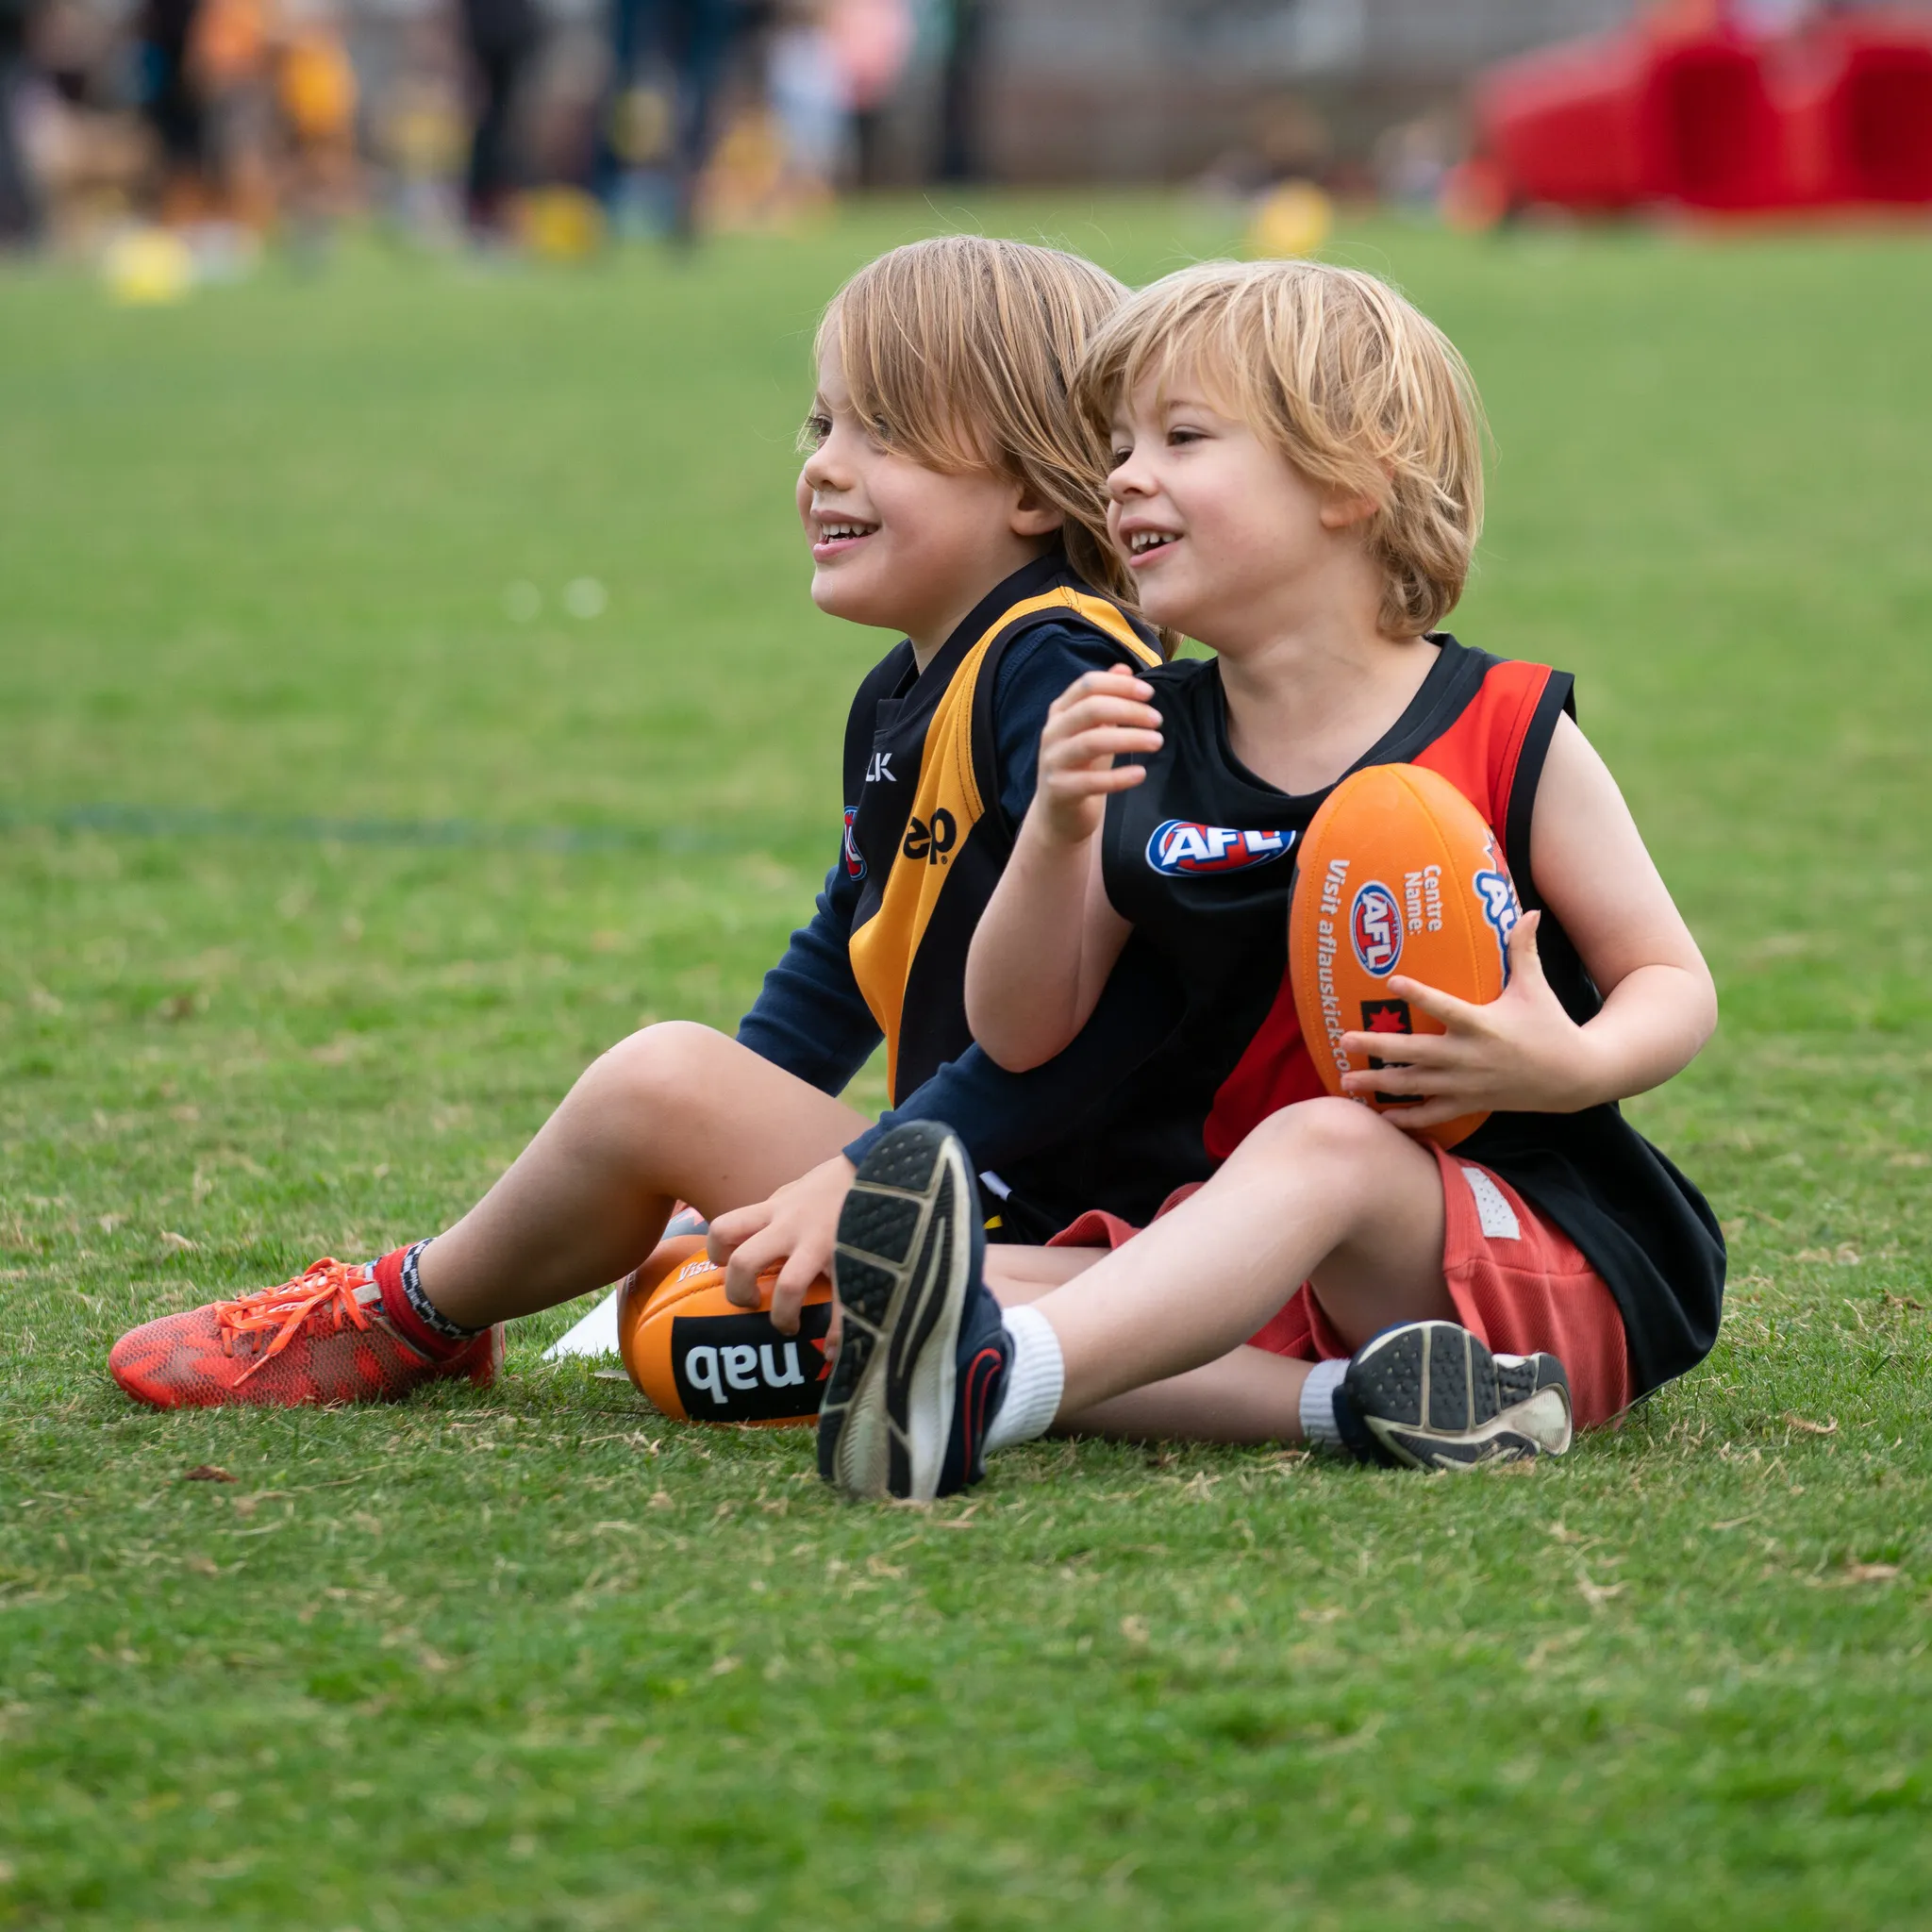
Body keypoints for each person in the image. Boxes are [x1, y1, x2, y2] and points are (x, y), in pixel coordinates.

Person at [108, 234, 1198, 1413]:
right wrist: (711, 1175)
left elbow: (1104, 1018)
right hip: (978, 1177)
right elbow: (846, 947)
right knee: (675, 1261)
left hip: (1093, 1219)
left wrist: (862, 1168)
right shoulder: (908, 684)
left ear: (1033, 488)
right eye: (819, 426)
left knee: (658, 1110)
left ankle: (405, 1313)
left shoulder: (1063, 663)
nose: (824, 467)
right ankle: (438, 1310)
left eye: (878, 432)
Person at [814, 258, 1726, 1502]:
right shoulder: (1143, 730)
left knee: (1326, 1149)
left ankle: (990, 1390)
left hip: (1512, 1245)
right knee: (866, 1300)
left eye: (1182, 438)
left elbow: (1672, 981)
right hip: (1258, 1248)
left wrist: (1562, 1061)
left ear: (1349, 478)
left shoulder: (1503, 726)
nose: (1126, 475)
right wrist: (1061, 829)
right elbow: (1021, 1033)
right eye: (1119, 443)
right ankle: (1367, 1406)